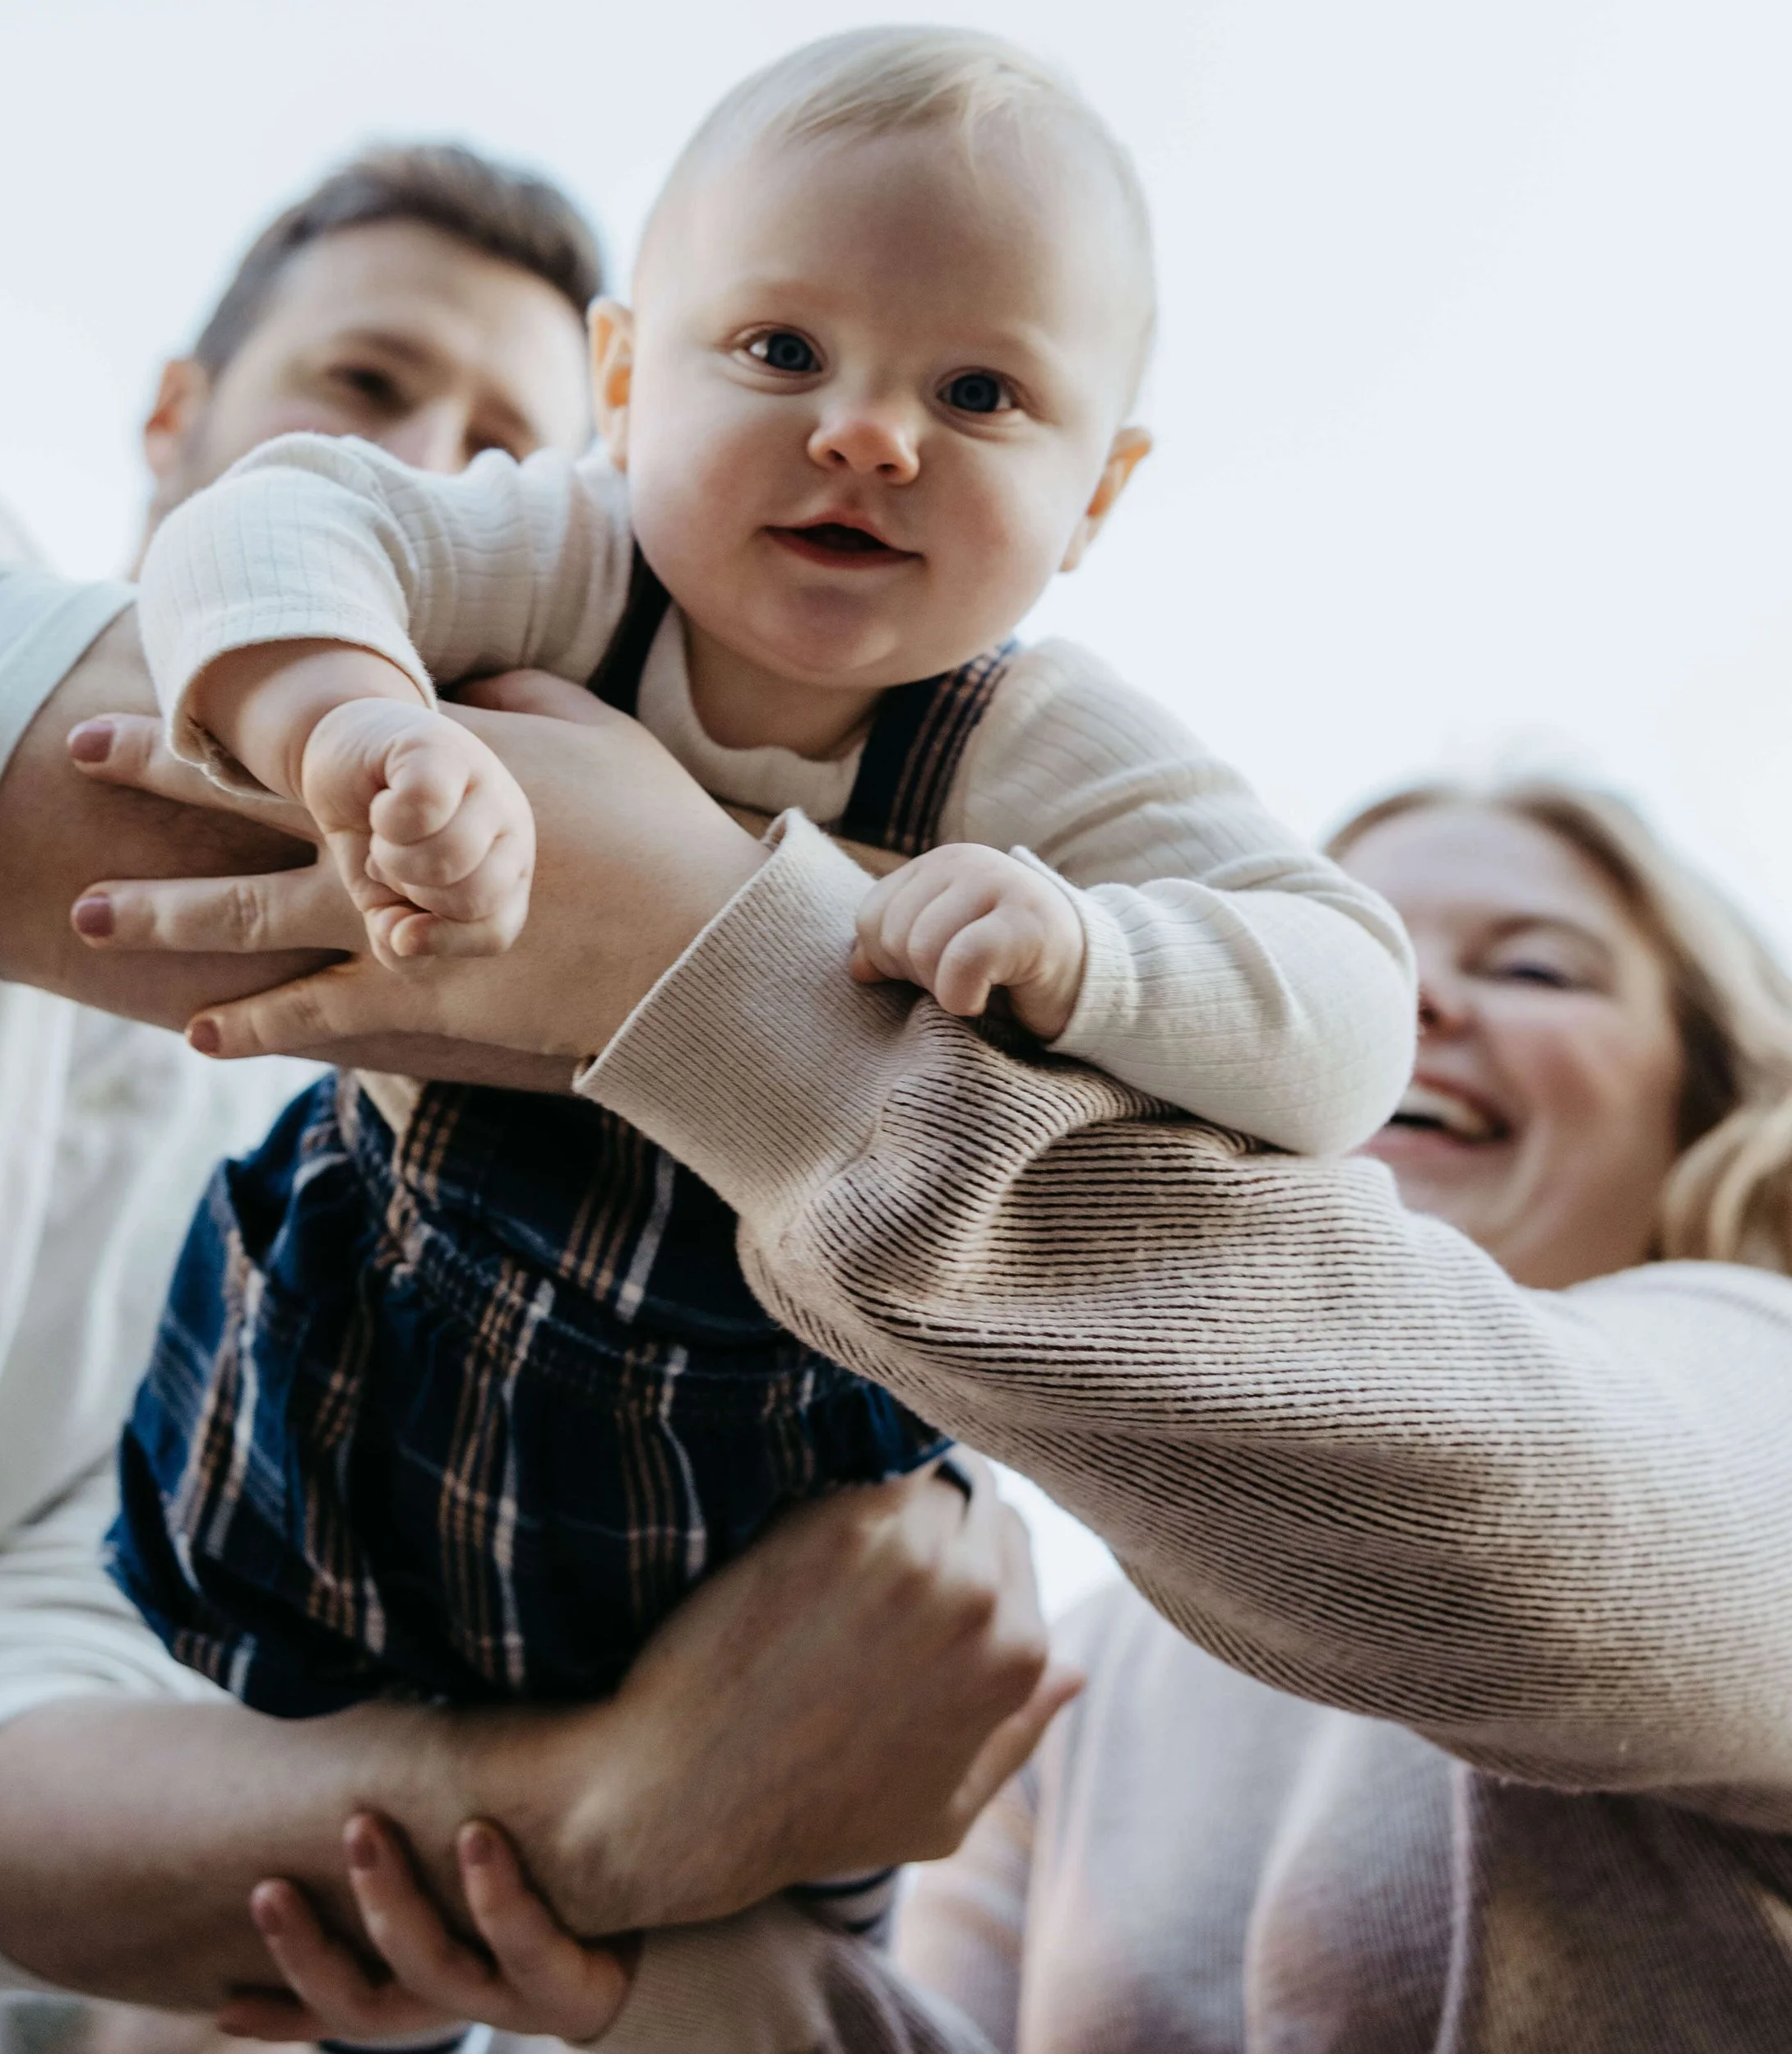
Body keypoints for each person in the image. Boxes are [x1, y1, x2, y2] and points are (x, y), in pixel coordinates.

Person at [0, 142, 1060, 2051]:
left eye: (509, 442)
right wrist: (741, 958)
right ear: (179, 422)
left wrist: (617, 1807)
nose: (437, 470)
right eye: (363, 390)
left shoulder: (340, 1233)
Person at [109, 29, 1414, 1766]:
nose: (868, 435)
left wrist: (1093, 953)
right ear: (630, 384)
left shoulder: (1029, 748)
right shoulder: (570, 558)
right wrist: (346, 717)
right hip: (357, 1421)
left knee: (767, 1883)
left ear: (1094, 493)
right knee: (275, 1860)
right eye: (782, 351)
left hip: (757, 1542)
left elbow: (1345, 1011)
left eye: (977, 396)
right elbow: (261, 528)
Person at [129, 695, 1792, 2047]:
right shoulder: (1075, 1679)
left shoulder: (1750, 1375)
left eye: (1531, 967)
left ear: (1708, 1092)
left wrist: (708, 966)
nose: (1424, 1003)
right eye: (1361, 959)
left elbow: (1518, 1528)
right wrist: (640, 1974)